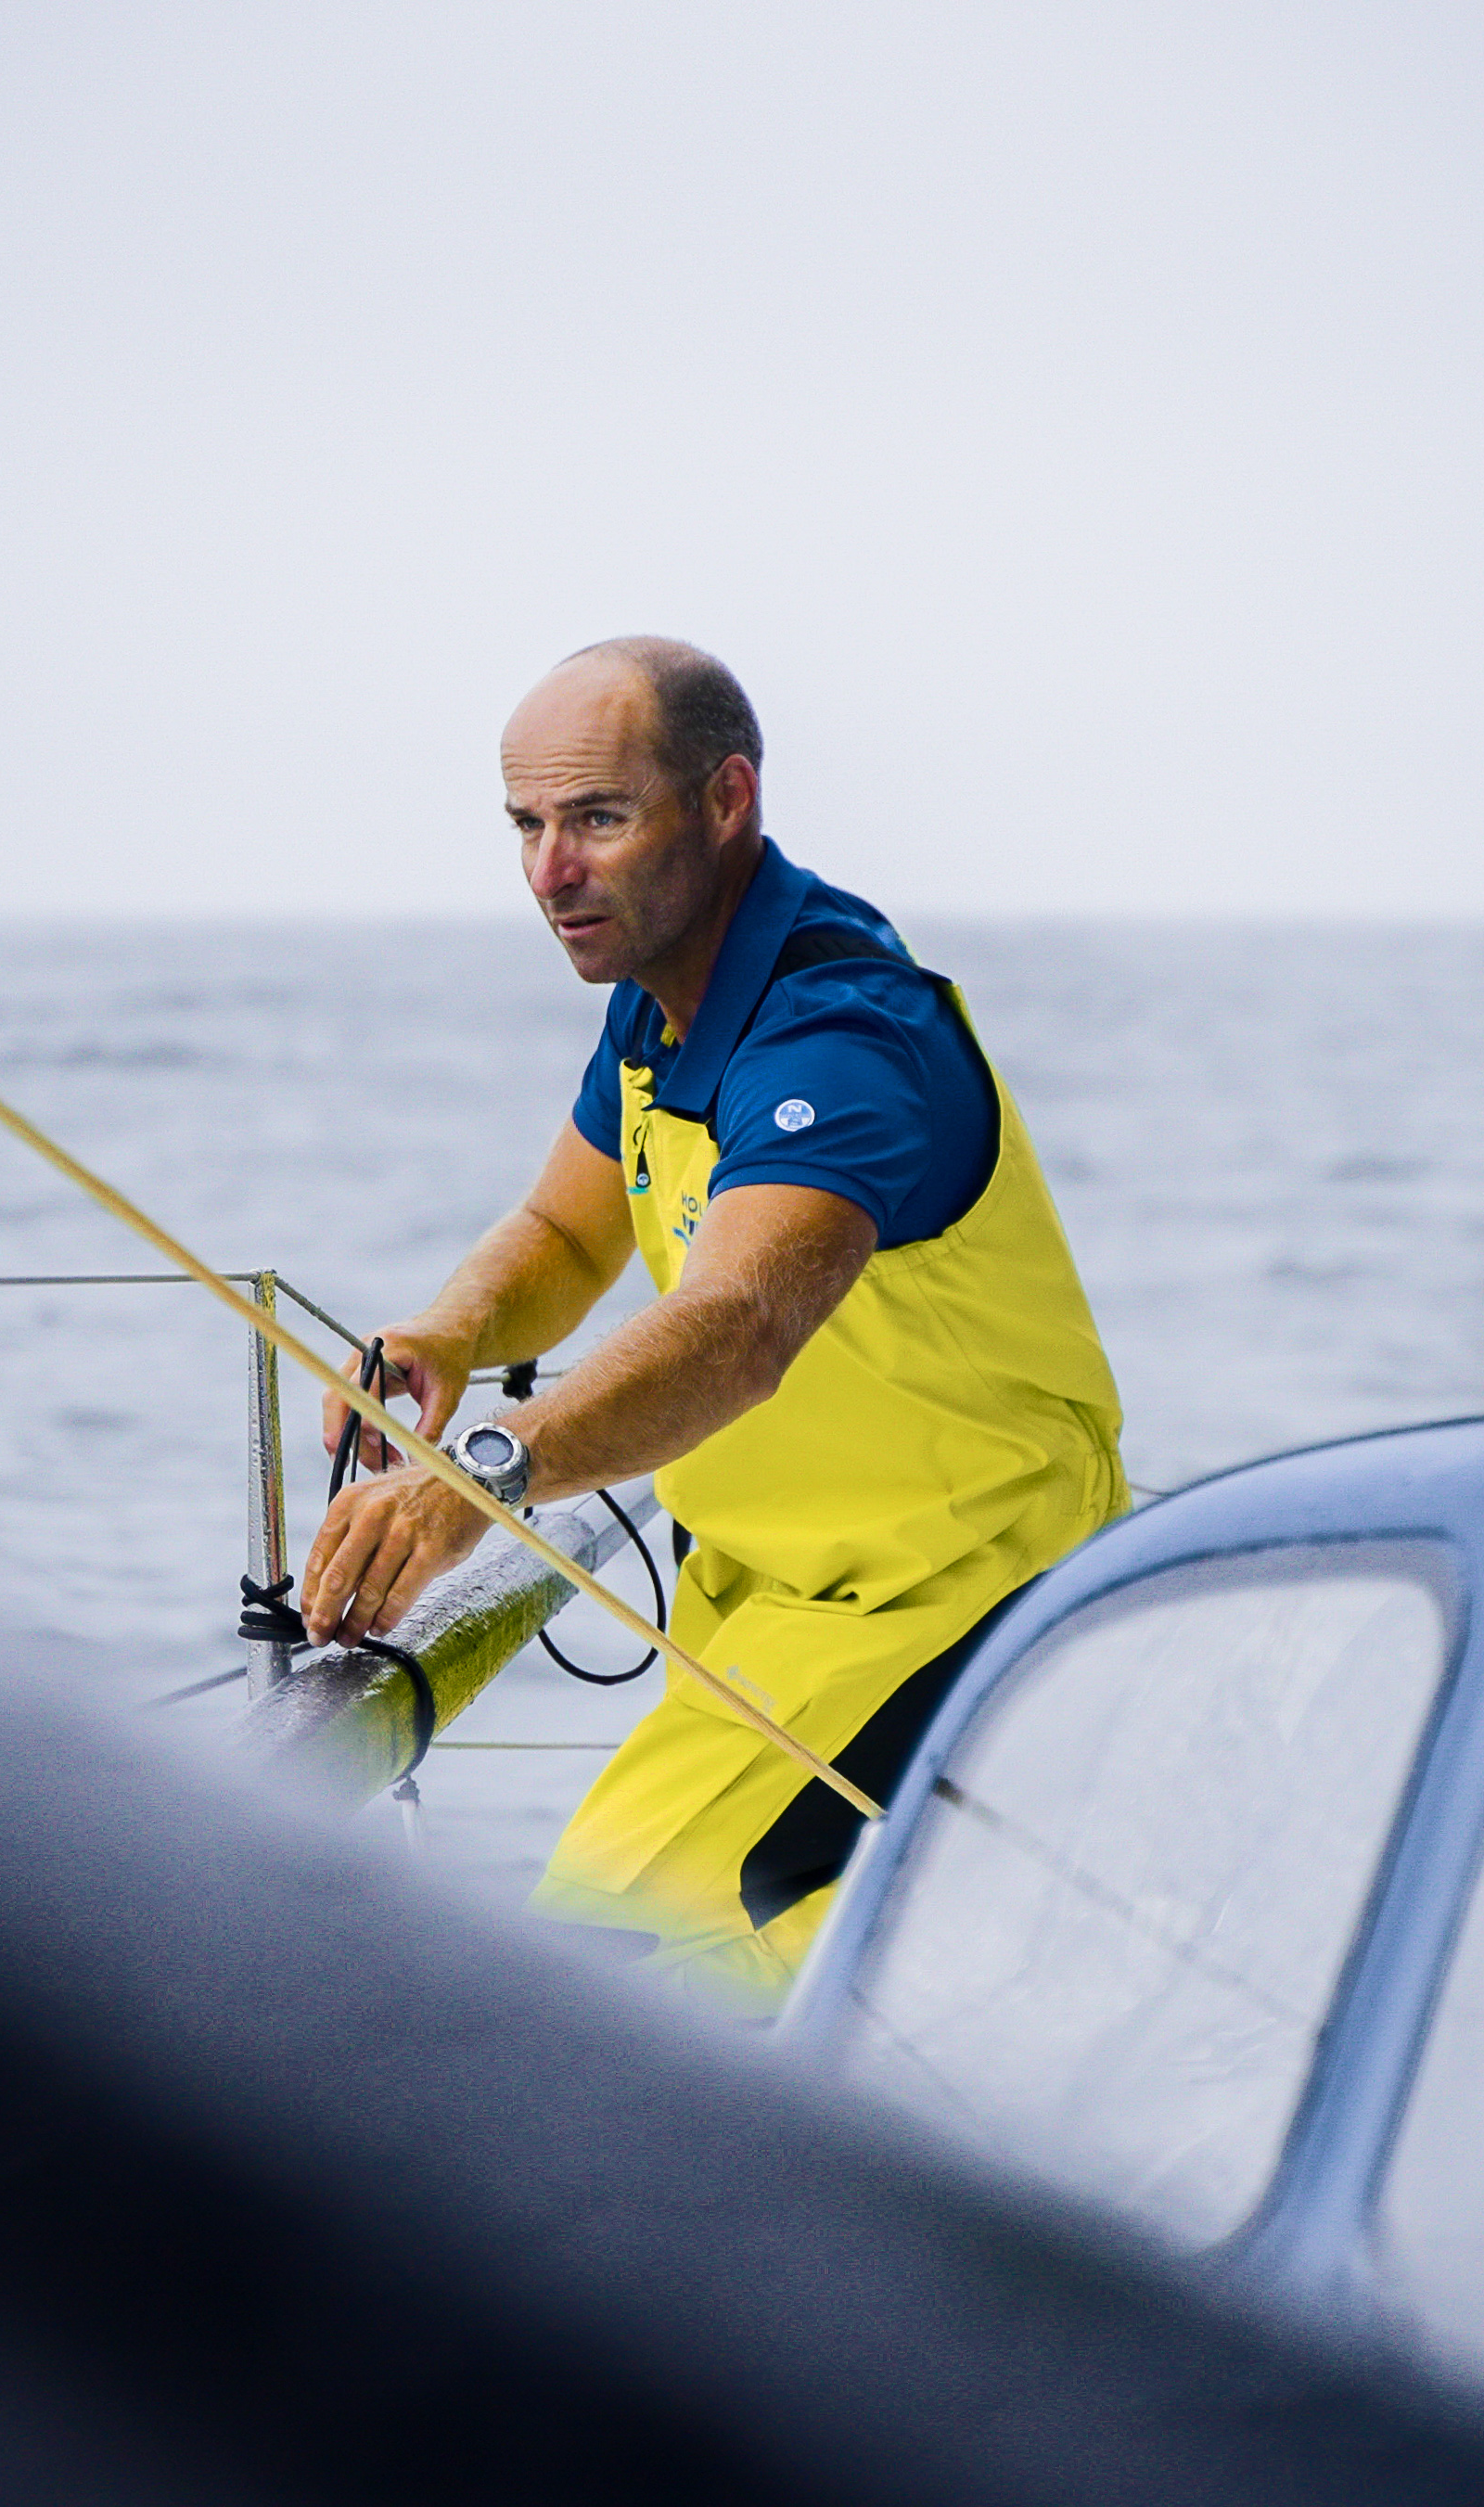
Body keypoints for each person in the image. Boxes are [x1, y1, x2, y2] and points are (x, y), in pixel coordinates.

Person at [301, 636, 1126, 2012]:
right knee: (616, 2004)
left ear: (725, 798)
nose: (549, 874)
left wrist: (482, 1479)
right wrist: (445, 1334)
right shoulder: (660, 995)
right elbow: (569, 1232)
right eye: (527, 827)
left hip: (952, 1616)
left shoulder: (837, 1034)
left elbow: (742, 1325)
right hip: (764, 1622)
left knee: (610, 2009)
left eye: (598, 820)